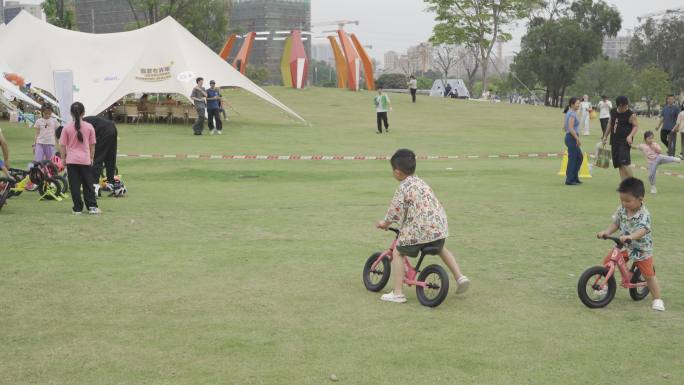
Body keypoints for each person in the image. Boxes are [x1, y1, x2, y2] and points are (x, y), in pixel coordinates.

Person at [375, 149, 469, 303]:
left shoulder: (403, 187)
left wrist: (384, 223)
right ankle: (460, 277)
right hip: (438, 227)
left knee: (398, 252)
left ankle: (398, 293)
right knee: (441, 248)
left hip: (421, 229)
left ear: (397, 172)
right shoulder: (421, 182)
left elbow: (395, 210)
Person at [596, 177, 665, 311]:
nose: (624, 203)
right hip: (625, 245)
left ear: (640, 199)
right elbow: (616, 223)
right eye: (622, 200)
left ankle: (657, 299)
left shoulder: (644, 214)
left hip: (641, 248)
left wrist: (630, 236)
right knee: (608, 261)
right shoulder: (622, 209)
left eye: (628, 200)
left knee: (648, 275)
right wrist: (607, 232)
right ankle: (605, 285)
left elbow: (643, 230)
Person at [59, 102, 99, 214]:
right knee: (88, 184)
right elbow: (92, 145)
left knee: (74, 186)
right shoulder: (89, 127)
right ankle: (92, 207)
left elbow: (62, 145)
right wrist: (91, 158)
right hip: (85, 160)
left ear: (71, 113)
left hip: (71, 161)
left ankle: (77, 208)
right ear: (84, 113)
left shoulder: (66, 127)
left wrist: (63, 159)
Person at [602, 96, 638, 180]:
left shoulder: (631, 114)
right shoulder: (613, 111)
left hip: (625, 141)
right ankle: (624, 184)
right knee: (619, 164)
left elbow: (636, 126)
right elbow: (610, 124)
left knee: (624, 163)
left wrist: (630, 136)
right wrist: (605, 136)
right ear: (619, 106)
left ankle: (633, 184)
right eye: (624, 107)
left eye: (627, 106)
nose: (626, 108)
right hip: (614, 140)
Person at [83, 116, 118, 194]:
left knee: (98, 158)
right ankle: (110, 182)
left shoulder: (78, 125)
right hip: (112, 127)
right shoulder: (84, 121)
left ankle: (94, 185)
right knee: (110, 157)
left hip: (103, 131)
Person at [563, 97, 583, 185]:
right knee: (573, 158)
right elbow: (570, 128)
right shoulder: (572, 114)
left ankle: (574, 177)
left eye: (579, 103)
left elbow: (565, 127)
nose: (579, 105)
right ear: (572, 104)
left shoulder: (570, 113)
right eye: (577, 103)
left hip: (571, 137)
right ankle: (569, 180)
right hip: (572, 138)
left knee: (579, 157)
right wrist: (577, 138)